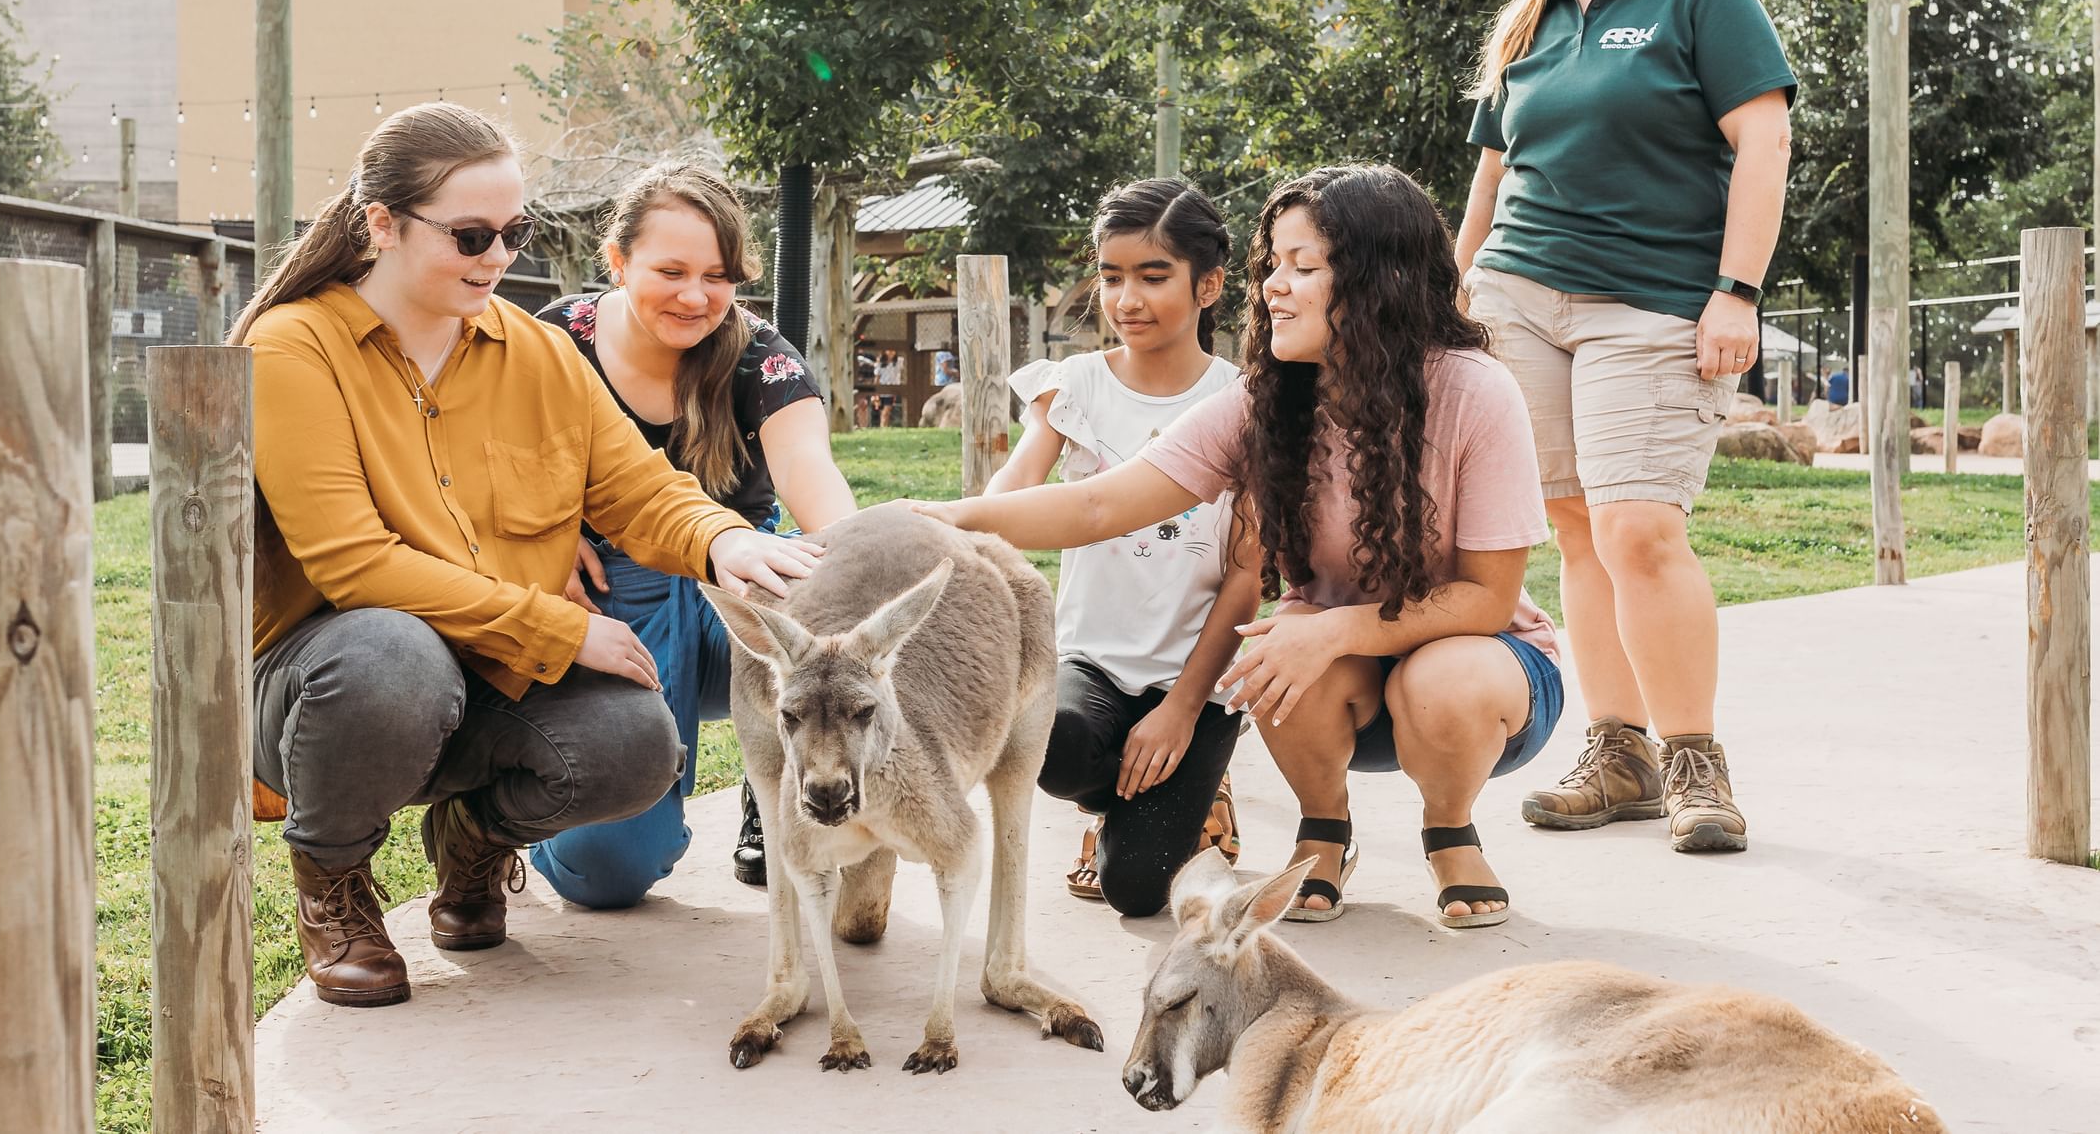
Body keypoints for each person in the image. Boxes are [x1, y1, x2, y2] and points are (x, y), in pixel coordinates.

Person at [239, 104, 817, 1008]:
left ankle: (472, 836)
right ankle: (334, 884)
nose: (498, 256)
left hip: (488, 677)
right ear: (381, 224)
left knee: (635, 741)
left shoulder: (538, 351)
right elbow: (355, 564)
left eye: (516, 231)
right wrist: (557, 628)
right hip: (331, 687)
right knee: (392, 650)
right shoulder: (294, 347)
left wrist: (724, 538)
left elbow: (637, 487)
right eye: (472, 234)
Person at [923, 164, 1559, 929]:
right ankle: (1323, 825)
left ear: (1378, 276)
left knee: (1433, 671)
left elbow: (1487, 598)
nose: (1273, 287)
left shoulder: (1475, 389)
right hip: (1336, 673)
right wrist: (930, 518)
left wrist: (1330, 626)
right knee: (1276, 644)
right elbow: (1100, 503)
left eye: (1303, 266)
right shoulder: (1267, 396)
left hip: (1482, 665)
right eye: (1270, 266)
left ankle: (1449, 828)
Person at [1458, 0, 1795, 856]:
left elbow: (1764, 144)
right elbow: (1488, 184)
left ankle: (1695, 758)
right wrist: (1451, 296)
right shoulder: (1530, 17)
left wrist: (1734, 289)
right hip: (1518, 293)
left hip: (1647, 300)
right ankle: (1618, 752)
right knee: (1569, 526)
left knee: (1639, 527)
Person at [527, 161, 859, 906]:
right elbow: (468, 471)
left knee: (811, 588)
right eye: (670, 270)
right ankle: (516, 811)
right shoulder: (551, 341)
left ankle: (777, 773)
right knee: (606, 872)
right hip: (601, 600)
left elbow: (815, 482)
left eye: (718, 275)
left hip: (732, 600)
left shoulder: (761, 357)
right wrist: (534, 544)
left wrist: (861, 570)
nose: (695, 295)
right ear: (617, 262)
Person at [984, 179, 1249, 917]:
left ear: (1210, 284)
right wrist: (952, 522)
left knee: (1136, 892)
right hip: (1091, 661)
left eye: (1153, 275)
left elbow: (1247, 577)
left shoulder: (1245, 401)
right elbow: (1012, 491)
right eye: (1111, 276)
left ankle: (1201, 785)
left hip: (1195, 679)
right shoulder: (1074, 386)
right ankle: (1116, 800)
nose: (1127, 298)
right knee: (1051, 746)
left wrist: (1185, 709)